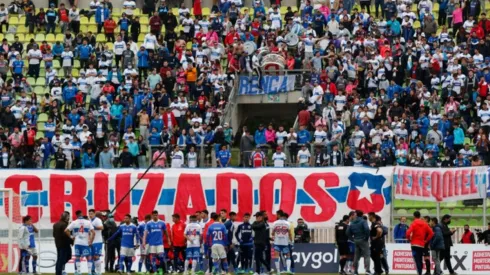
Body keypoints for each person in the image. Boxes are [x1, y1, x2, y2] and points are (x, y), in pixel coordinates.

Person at [65, 210, 95, 275]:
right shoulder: (88, 222)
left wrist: (71, 237)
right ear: (82, 214)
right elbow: (93, 233)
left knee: (77, 257)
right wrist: (91, 241)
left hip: (77, 242)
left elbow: (66, 230)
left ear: (76, 215)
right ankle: (89, 272)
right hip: (85, 242)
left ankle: (78, 271)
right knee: (89, 256)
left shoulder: (74, 222)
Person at [143, 210, 172, 275]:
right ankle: (155, 271)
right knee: (153, 257)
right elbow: (145, 233)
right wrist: (144, 242)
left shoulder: (162, 223)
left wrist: (169, 240)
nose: (155, 216)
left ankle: (161, 270)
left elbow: (166, 232)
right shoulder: (149, 223)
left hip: (159, 243)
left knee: (161, 256)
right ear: (152, 216)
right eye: (154, 215)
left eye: (156, 215)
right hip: (152, 244)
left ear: (158, 215)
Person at [406, 211, 434, 275]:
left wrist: (409, 239)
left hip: (414, 244)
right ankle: (421, 272)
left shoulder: (413, 223)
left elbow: (408, 233)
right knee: (420, 260)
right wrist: (426, 240)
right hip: (422, 245)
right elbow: (431, 233)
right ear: (420, 215)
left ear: (414, 216)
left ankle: (419, 273)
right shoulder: (425, 224)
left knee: (416, 260)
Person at [346, 210, 371, 275]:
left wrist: (352, 239)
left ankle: (355, 271)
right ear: (362, 215)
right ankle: (367, 270)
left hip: (356, 240)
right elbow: (367, 229)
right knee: (367, 255)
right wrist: (366, 237)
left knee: (356, 257)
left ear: (356, 215)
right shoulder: (363, 221)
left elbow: (347, 232)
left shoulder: (352, 223)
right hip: (363, 240)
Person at [88, 209, 104, 275]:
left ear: (94, 214)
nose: (90, 215)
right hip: (91, 241)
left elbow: (102, 227)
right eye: (89, 214)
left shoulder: (98, 220)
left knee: (96, 256)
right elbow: (89, 232)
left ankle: (99, 272)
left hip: (98, 241)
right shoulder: (89, 221)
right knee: (91, 256)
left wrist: (93, 227)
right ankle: (92, 271)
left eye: (91, 213)